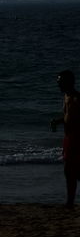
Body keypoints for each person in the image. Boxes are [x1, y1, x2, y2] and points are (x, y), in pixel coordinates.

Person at [50, 70, 80, 207]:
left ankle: (70, 202)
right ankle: (70, 201)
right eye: (58, 82)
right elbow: (69, 116)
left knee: (71, 171)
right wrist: (58, 121)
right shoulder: (66, 97)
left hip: (77, 138)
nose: (58, 84)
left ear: (68, 82)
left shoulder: (76, 98)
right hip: (68, 138)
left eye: (60, 81)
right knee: (70, 172)